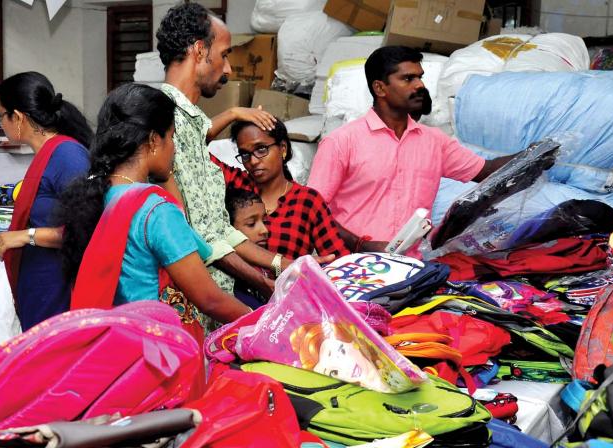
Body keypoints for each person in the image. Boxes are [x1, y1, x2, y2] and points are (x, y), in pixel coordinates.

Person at [156, 3, 327, 303]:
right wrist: (265, 285)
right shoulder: (165, 121)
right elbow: (202, 236)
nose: (228, 69)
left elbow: (218, 228)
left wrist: (284, 265)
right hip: (193, 306)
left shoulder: (188, 122)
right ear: (198, 51)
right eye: (223, 55)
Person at [58, 83, 251, 340]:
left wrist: (164, 172)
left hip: (119, 343)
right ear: (152, 140)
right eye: (171, 137)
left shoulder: (96, 195)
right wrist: (260, 320)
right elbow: (210, 300)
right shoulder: (155, 210)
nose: (174, 148)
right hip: (158, 349)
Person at [307, 46, 517, 258]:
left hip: (412, 268)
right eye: (408, 79)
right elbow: (310, 212)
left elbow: (487, 170)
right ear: (380, 88)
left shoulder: (434, 141)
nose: (420, 85)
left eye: (420, 77)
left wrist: (538, 152)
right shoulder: (341, 142)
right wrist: (361, 245)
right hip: (353, 267)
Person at [0, 71, 93, 331]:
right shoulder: (48, 153)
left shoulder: (68, 155)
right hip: (39, 281)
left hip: (58, 286)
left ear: (18, 117)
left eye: (1, 116)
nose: (0, 123)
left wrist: (26, 236)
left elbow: (87, 230)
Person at [217, 119, 386, 259]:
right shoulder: (237, 184)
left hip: (287, 296)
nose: (253, 161)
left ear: (283, 149)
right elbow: (192, 151)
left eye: (261, 149)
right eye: (245, 154)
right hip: (231, 294)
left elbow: (336, 260)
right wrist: (234, 113)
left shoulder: (307, 201)